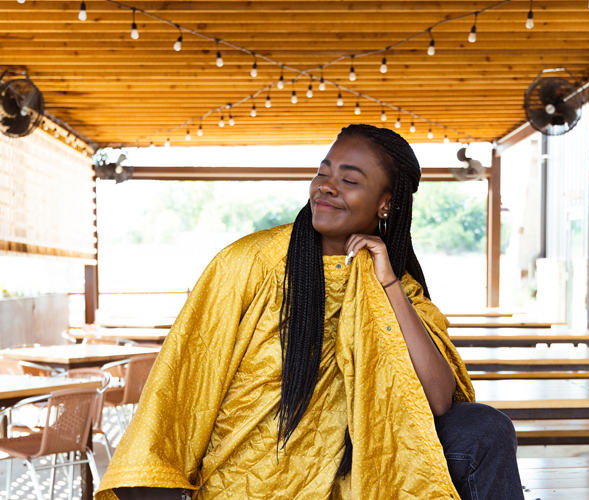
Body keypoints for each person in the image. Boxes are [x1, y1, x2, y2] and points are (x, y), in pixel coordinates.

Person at [96, 124, 524, 500]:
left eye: (349, 180)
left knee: (486, 428)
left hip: (360, 473)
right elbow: (185, 380)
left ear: (386, 203)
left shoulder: (394, 282)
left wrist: (388, 285)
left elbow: (438, 400)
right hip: (259, 479)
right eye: (323, 171)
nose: (326, 186)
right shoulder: (252, 263)